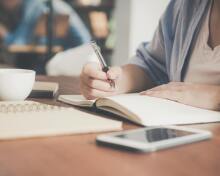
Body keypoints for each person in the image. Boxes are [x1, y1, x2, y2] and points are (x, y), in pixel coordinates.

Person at [80, 0, 220, 111]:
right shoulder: (184, 6)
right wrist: (115, 81)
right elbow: (153, 66)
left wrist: (215, 97)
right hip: (178, 131)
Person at [0, 0, 91, 49]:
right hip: (82, 50)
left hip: (78, 53)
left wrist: (3, 32)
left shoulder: (33, 4)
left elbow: (17, 43)